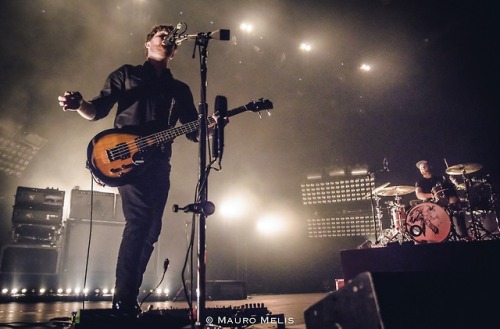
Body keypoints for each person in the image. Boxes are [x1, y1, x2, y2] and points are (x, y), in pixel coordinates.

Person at [58, 24, 201, 316]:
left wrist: (211, 127)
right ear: (147, 44)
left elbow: (194, 130)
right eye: (162, 35)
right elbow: (97, 110)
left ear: (175, 50)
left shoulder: (180, 89)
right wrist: (79, 105)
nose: (167, 40)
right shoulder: (127, 74)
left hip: (159, 164)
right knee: (139, 223)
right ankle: (123, 300)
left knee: (152, 228)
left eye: (170, 39)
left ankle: (127, 296)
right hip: (126, 159)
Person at [414, 160, 468, 239]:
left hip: (445, 202)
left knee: (457, 208)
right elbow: (419, 195)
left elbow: (450, 189)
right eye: (420, 167)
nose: (422, 167)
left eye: (424, 165)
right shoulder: (420, 182)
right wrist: (433, 195)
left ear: (428, 166)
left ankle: (464, 236)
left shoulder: (439, 178)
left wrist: (454, 182)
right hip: (430, 205)